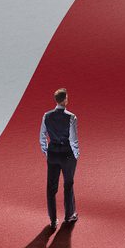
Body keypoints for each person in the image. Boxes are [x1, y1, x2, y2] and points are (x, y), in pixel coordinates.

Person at [39, 87, 79, 229]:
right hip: (67, 154)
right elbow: (73, 139)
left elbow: (42, 136)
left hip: (53, 153)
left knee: (51, 187)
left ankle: (53, 219)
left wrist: (46, 152)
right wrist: (76, 154)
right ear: (64, 100)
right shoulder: (71, 117)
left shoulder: (46, 116)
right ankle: (69, 215)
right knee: (68, 185)